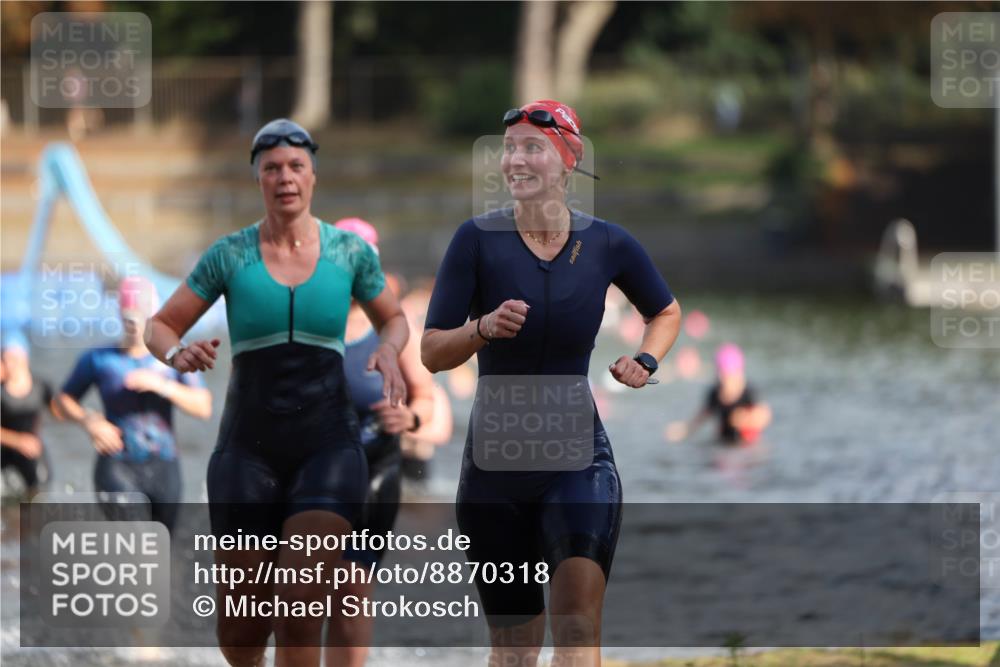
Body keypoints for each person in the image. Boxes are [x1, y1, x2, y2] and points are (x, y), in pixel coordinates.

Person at [421, 100, 681, 667]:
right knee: (514, 650)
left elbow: (665, 312)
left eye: (531, 148)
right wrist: (483, 329)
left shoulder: (609, 243)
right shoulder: (475, 240)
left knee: (578, 630)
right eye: (508, 149)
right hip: (494, 471)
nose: (515, 159)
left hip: (577, 462)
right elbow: (432, 351)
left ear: (568, 161)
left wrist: (647, 360)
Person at [145, 119, 409, 667]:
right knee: (242, 630)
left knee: (299, 601)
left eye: (295, 166)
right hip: (247, 449)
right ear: (258, 180)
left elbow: (396, 320)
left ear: (313, 176)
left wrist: (387, 348)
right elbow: (160, 325)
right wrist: (176, 354)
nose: (284, 177)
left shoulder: (349, 252)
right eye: (272, 169)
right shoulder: (230, 254)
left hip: (329, 446)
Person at [324, 218, 451, 667]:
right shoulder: (307, 322)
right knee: (301, 590)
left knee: (351, 592)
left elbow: (426, 399)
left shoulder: (393, 328)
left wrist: (411, 417)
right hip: (310, 469)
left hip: (376, 470)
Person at [56, 276, 212, 530]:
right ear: (119, 314)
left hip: (165, 466)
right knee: (137, 543)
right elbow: (61, 401)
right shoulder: (99, 359)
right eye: (127, 317)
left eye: (138, 317)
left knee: (160, 552)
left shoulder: (176, 358)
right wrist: (89, 422)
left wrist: (162, 385)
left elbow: (204, 407)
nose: (133, 324)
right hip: (117, 465)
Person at [666, 343, 772, 446]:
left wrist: (745, 419)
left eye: (731, 377)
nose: (727, 382)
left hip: (746, 445)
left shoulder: (748, 392)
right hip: (723, 442)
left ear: (740, 374)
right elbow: (701, 417)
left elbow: (764, 415)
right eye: (724, 376)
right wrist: (684, 431)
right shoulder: (715, 393)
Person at [1, 335, 55, 497]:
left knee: (39, 493)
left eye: (15, 358)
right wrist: (18, 441)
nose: (11, 364)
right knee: (6, 501)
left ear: (25, 358)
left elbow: (58, 412)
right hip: (4, 451)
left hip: (34, 451)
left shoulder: (41, 385)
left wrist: (89, 418)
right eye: (6, 358)